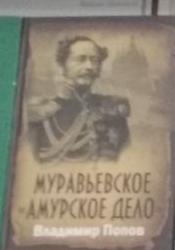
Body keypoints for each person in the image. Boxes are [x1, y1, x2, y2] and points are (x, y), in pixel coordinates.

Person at [25, 35, 130, 163]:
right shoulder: (41, 112)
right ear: (62, 66)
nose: (89, 66)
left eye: (95, 60)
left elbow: (125, 158)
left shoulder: (112, 109)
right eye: (81, 59)